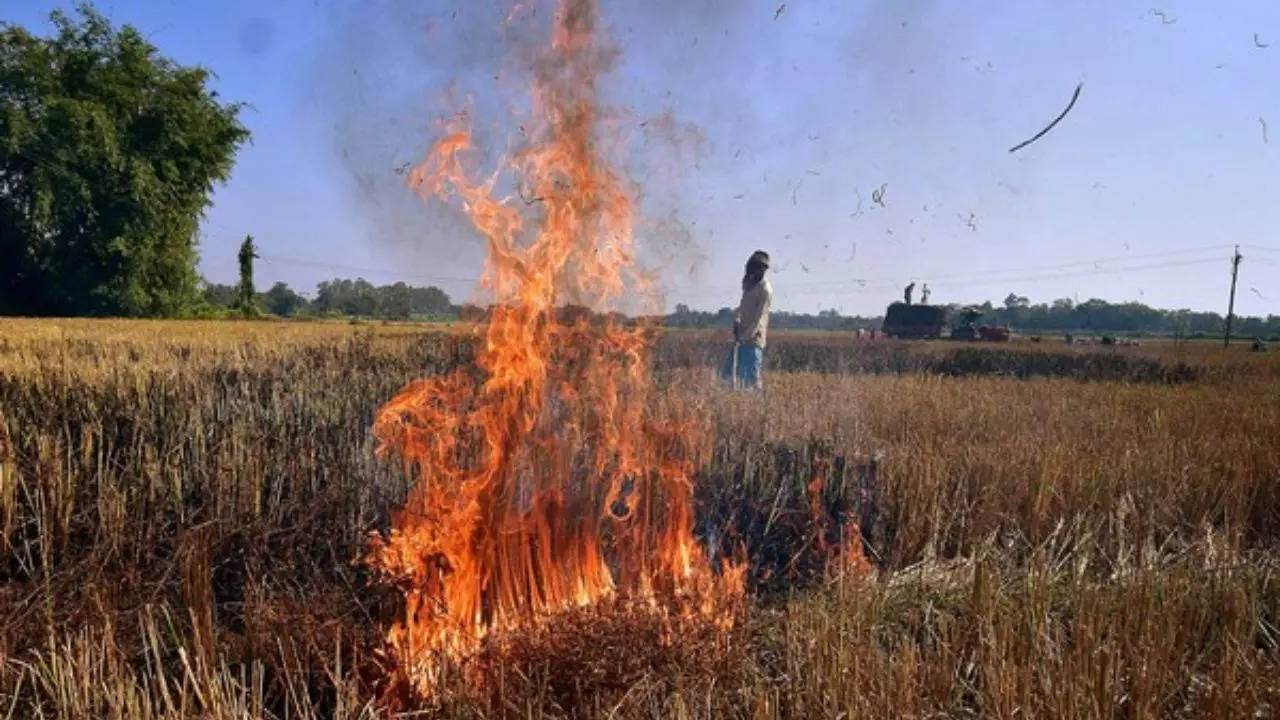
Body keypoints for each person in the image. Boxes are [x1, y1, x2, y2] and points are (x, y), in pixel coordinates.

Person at [722, 250, 772, 389]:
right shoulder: (749, 284)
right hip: (740, 338)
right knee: (727, 375)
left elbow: (759, 318)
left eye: (762, 269)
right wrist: (737, 320)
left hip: (753, 341)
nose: (759, 272)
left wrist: (745, 336)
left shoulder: (765, 290)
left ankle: (753, 406)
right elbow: (742, 306)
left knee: (750, 381)